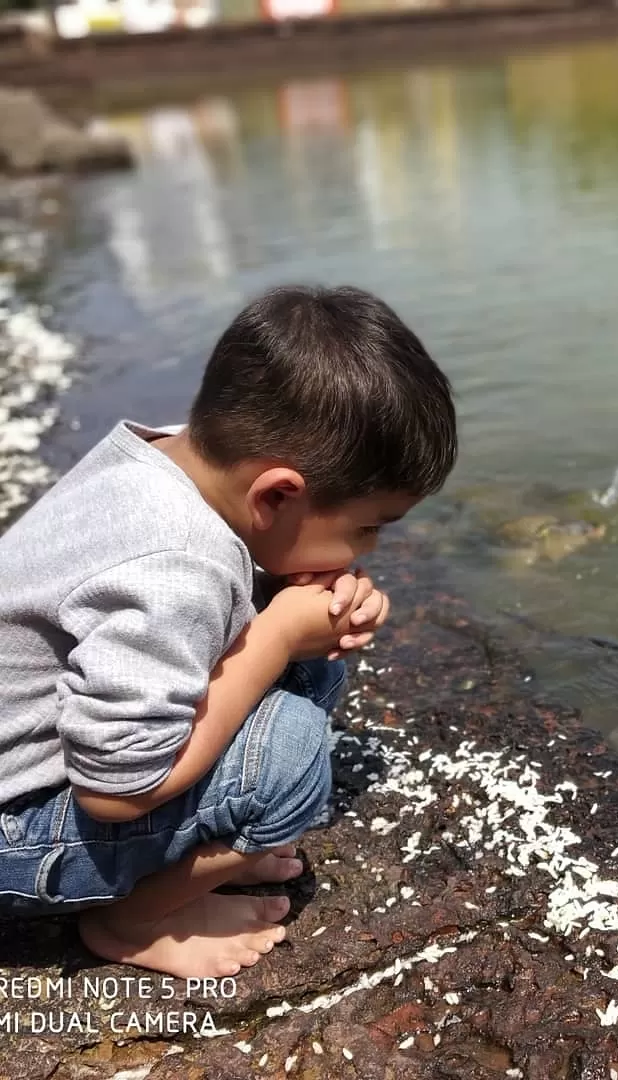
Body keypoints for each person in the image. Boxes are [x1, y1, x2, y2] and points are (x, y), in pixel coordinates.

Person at [0, 284, 457, 978]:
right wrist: (273, 636)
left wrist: (292, 601)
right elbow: (115, 789)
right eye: (367, 527)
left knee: (311, 663)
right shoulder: (175, 564)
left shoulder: (157, 460)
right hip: (15, 830)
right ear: (276, 495)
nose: (367, 550)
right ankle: (130, 922)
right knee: (292, 755)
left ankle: (190, 852)